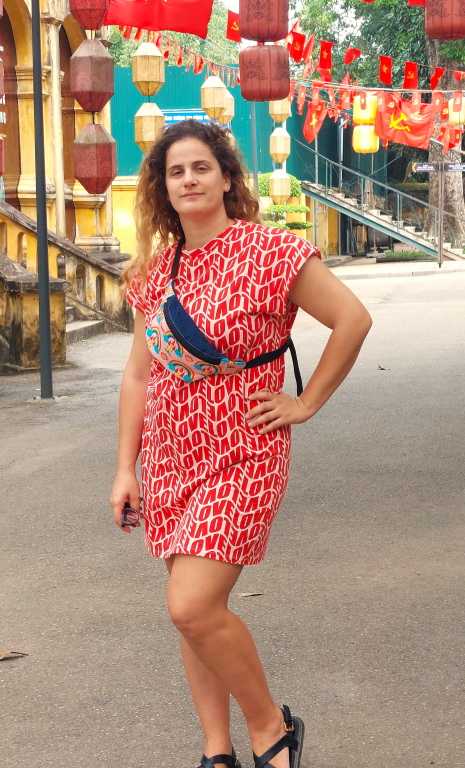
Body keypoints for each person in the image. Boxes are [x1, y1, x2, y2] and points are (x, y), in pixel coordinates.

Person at [110, 120, 372, 768]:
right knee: (193, 614)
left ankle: (270, 731)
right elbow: (140, 373)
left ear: (227, 177)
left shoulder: (272, 251)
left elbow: (351, 319)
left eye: (201, 167)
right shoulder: (153, 273)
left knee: (191, 604)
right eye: (175, 171)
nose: (188, 180)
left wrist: (305, 402)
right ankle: (216, 749)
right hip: (171, 455)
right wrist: (124, 468)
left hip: (245, 451)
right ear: (162, 188)